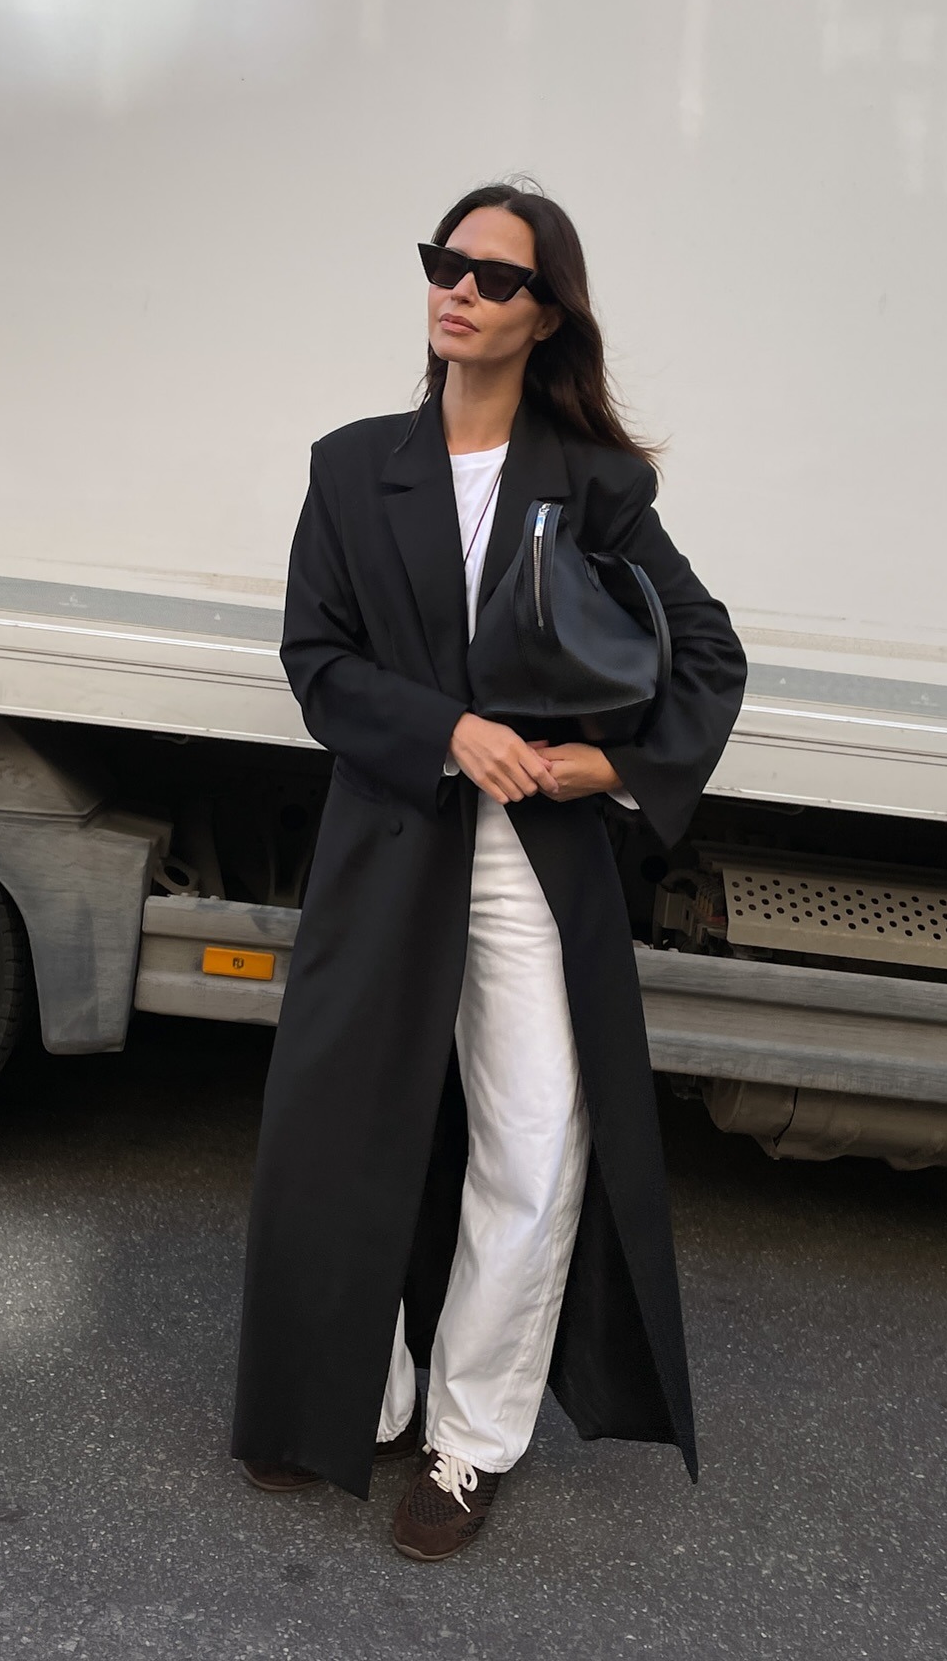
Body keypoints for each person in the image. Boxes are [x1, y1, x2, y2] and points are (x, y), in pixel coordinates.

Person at [231, 180, 748, 1562]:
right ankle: (357, 1397)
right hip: (393, 833)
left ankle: (468, 1443)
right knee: (347, 1131)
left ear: (544, 317)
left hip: (535, 863)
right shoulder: (352, 466)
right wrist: (451, 730)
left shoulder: (596, 485)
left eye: (492, 277)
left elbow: (706, 656)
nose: (456, 289)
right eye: (442, 263)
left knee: (532, 1140)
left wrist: (606, 770)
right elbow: (317, 665)